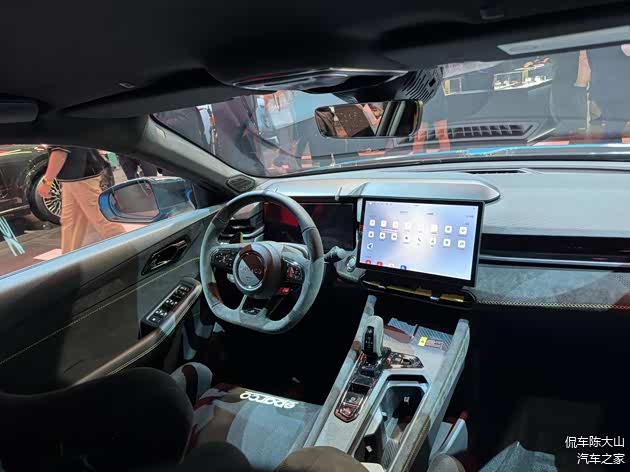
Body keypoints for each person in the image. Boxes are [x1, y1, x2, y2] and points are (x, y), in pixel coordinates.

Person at [37, 146, 125, 253]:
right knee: (72, 222)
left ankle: (128, 249)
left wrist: (47, 181)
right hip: (77, 176)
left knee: (100, 218)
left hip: (79, 176)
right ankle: (70, 257)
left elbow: (59, 151)